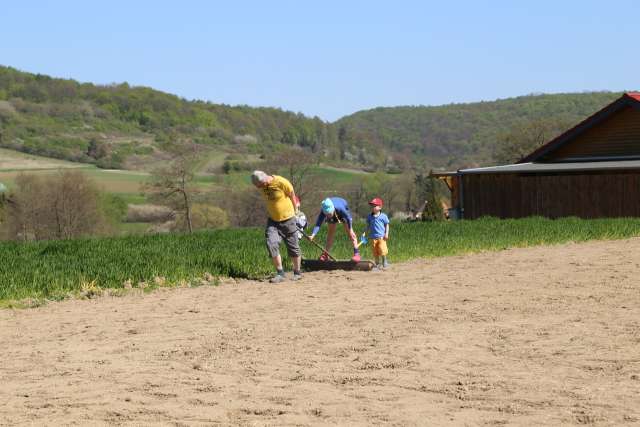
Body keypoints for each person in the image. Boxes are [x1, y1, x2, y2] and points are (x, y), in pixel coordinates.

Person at [251, 170, 302, 283]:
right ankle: (280, 273)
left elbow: (292, 195)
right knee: (271, 243)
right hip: (273, 220)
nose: (258, 188)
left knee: (293, 247)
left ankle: (297, 272)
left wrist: (296, 212)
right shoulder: (262, 185)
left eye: (259, 185)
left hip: (288, 219)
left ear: (264, 180)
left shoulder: (281, 182)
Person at [309, 196, 361, 262]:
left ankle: (357, 254)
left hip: (342, 213)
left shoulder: (340, 208)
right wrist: (313, 235)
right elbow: (318, 224)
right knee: (330, 233)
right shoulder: (323, 210)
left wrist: (350, 229)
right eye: (327, 214)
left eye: (329, 213)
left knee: (350, 233)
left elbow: (349, 218)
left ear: (332, 209)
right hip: (334, 213)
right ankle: (326, 254)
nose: (328, 215)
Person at [365, 197, 390, 269]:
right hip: (373, 237)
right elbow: (368, 226)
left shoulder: (383, 216)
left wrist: (386, 233)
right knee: (375, 252)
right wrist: (364, 233)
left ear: (380, 207)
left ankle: (384, 261)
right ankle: (377, 264)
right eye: (372, 206)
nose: (373, 207)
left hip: (381, 237)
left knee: (382, 250)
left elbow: (387, 225)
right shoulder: (370, 216)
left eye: (375, 206)